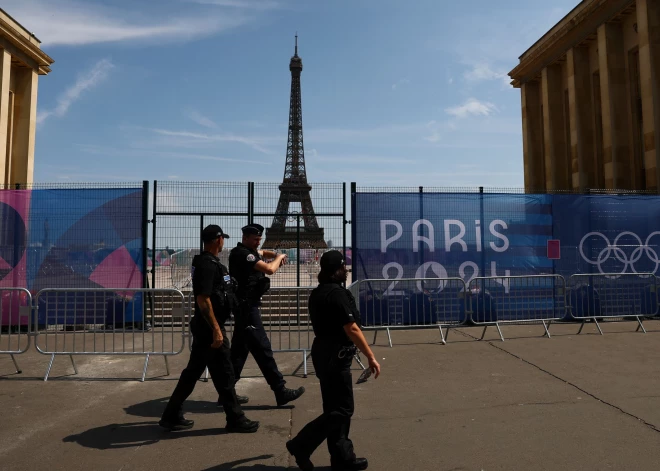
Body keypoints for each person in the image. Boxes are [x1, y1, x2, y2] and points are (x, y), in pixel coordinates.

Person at [286, 250, 381, 471]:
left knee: (334, 408)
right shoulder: (337, 294)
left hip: (323, 352)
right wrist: (371, 356)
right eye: (344, 267)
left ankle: (342, 458)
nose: (346, 271)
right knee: (342, 410)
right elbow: (352, 328)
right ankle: (301, 444)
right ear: (337, 270)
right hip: (335, 356)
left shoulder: (318, 292)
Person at [159, 225, 259, 433]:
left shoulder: (210, 263)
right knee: (224, 373)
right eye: (223, 238)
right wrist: (216, 329)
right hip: (209, 328)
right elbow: (203, 299)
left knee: (195, 372)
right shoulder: (207, 265)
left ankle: (171, 414)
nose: (224, 242)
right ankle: (235, 418)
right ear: (217, 240)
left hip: (208, 327)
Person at [226, 223, 305, 407]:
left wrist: (274, 255)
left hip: (246, 308)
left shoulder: (247, 252)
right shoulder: (243, 254)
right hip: (247, 309)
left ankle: (226, 393)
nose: (258, 242)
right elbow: (269, 269)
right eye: (255, 239)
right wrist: (280, 258)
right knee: (263, 349)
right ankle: (280, 390)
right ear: (245, 237)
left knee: (238, 354)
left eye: (259, 239)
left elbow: (263, 253)